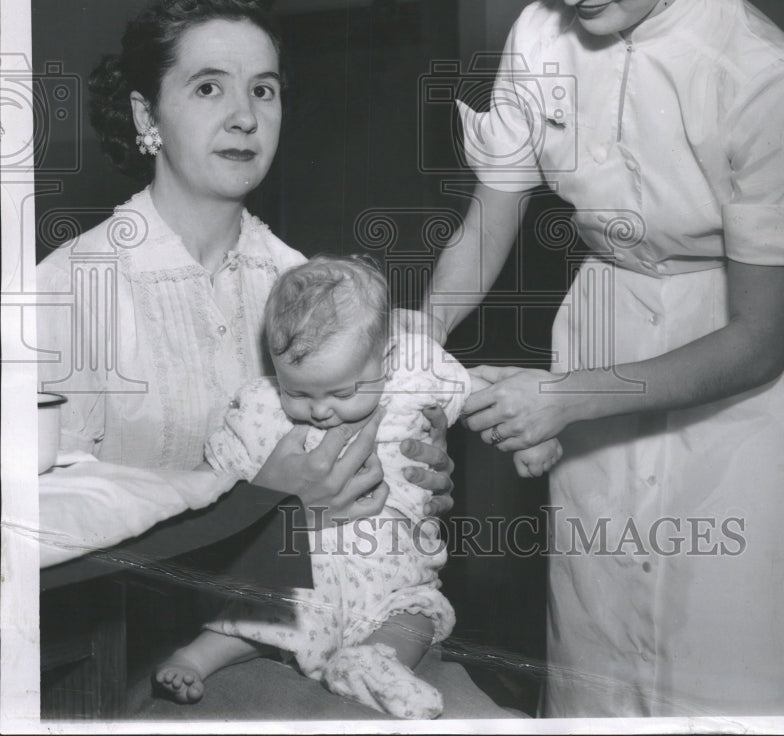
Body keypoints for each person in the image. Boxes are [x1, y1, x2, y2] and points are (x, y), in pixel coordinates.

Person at [36, 0, 516, 720]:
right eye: (208, 87)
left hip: (342, 623)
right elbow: (42, 541)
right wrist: (267, 502)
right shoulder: (69, 291)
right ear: (144, 114)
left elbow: (402, 443)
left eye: (263, 88)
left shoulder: (305, 288)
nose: (244, 116)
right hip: (141, 654)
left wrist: (413, 470)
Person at [422, 0, 784, 717]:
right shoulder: (535, 40)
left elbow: (761, 340)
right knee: (593, 636)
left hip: (728, 355)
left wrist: (563, 399)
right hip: (596, 320)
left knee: (722, 639)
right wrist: (415, 341)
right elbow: (488, 222)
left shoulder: (757, 75)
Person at [156, 255, 547, 718]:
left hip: (392, 571)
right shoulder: (259, 406)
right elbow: (211, 482)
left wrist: (529, 442)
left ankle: (371, 664)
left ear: (386, 358)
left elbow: (485, 397)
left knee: (420, 614)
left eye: (341, 393)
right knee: (256, 615)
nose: (320, 410)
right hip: (304, 568)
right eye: (298, 393)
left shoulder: (413, 376)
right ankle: (198, 656)